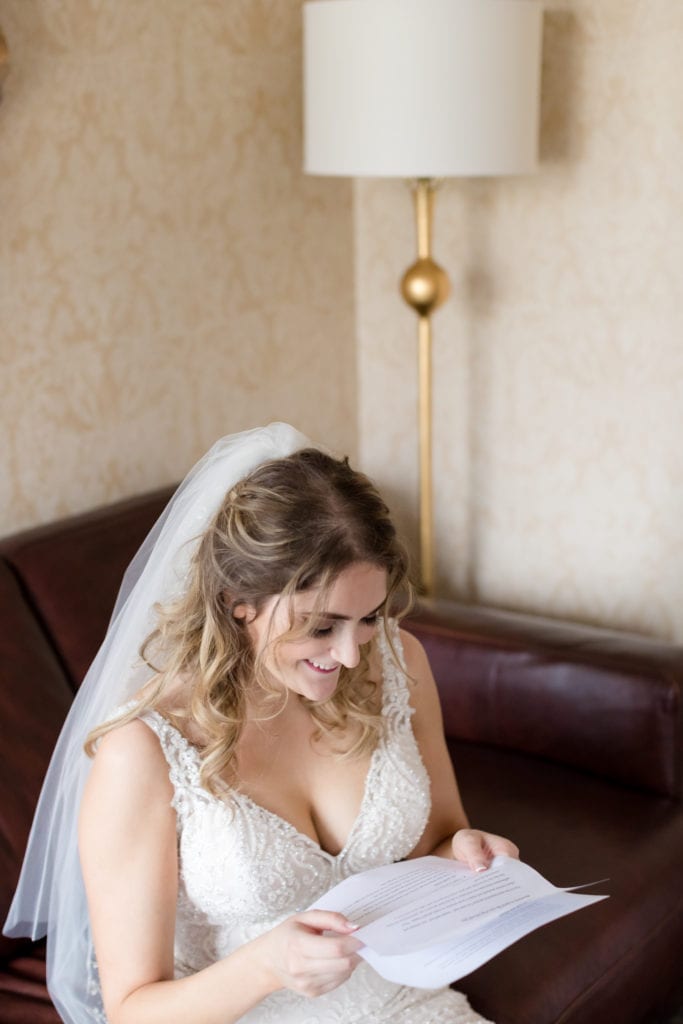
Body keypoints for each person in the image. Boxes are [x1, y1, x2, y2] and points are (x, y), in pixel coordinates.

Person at [4, 423, 518, 1024]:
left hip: (406, 1002)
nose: (352, 655)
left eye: (369, 617)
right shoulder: (143, 749)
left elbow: (441, 836)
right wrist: (267, 966)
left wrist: (464, 849)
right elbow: (132, 1011)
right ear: (238, 601)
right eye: (322, 626)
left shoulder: (398, 666)